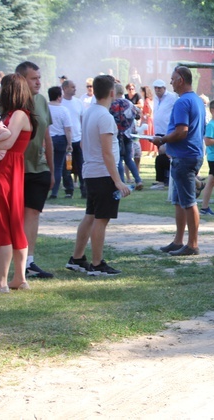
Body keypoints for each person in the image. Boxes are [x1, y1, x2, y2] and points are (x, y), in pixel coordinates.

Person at [65, 75, 130, 276]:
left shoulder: (90, 111)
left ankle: (77, 258)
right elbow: (107, 152)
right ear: (112, 93)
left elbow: (85, 144)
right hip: (103, 174)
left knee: (90, 216)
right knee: (101, 219)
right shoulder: (105, 116)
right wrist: (117, 180)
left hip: (91, 171)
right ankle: (97, 264)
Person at [0, 74, 37, 292]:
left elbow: (7, 142)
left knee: (1, 224)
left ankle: (0, 281)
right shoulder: (21, 114)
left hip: (5, 171)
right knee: (14, 224)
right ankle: (19, 279)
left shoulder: (17, 114)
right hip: (13, 170)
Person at [152, 67, 206, 257]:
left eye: (173, 79)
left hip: (185, 157)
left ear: (181, 80)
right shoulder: (197, 100)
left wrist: (162, 140)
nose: (171, 82)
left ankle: (192, 244)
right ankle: (178, 241)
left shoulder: (182, 102)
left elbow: (182, 130)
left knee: (188, 202)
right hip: (189, 154)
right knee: (179, 201)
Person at [15, 62, 55, 279]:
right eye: (33, 78)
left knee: (32, 213)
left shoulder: (41, 100)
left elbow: (47, 136)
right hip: (12, 167)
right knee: (11, 214)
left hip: (37, 167)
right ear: (21, 79)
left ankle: (29, 262)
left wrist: (51, 169)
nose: (39, 82)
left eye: (39, 77)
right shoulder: (4, 101)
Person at [110, 83, 143, 190]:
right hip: (129, 134)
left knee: (118, 159)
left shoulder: (113, 104)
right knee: (129, 158)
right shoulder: (129, 103)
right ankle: (138, 180)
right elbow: (138, 115)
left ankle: (122, 182)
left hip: (117, 134)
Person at [47, 86, 73, 200]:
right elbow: (67, 129)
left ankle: (45, 189)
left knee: (47, 165)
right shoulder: (63, 110)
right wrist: (70, 143)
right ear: (58, 97)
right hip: (60, 139)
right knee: (58, 167)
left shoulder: (46, 108)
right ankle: (54, 191)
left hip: (48, 138)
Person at [151, 79, 177, 189]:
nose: (157, 90)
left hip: (168, 131)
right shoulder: (155, 99)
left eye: (159, 88)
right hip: (159, 131)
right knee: (161, 154)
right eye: (156, 88)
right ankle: (165, 178)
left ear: (164, 88)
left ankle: (164, 179)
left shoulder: (172, 97)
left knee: (166, 154)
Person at [61, 80, 85, 198]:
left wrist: (83, 136)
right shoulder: (60, 103)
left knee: (82, 165)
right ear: (65, 88)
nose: (75, 89)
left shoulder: (78, 103)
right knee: (66, 167)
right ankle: (69, 190)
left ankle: (84, 190)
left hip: (78, 138)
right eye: (72, 87)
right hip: (65, 139)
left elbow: (82, 119)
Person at [139, 85, 155, 156]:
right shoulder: (150, 100)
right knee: (150, 134)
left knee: (148, 134)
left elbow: (151, 108)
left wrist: (148, 115)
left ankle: (150, 150)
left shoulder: (147, 100)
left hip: (148, 119)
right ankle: (151, 151)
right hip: (150, 119)